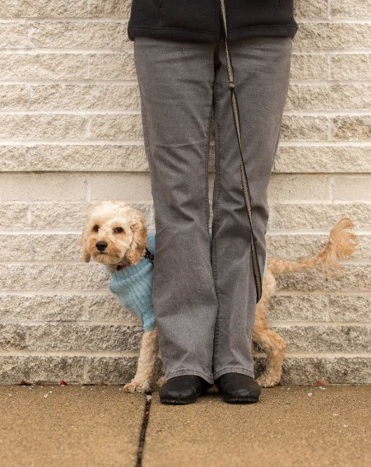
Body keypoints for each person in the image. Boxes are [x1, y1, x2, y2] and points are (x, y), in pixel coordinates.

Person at [129, 0, 297, 404]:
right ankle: (186, 360)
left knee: (244, 199)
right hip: (165, 28)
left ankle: (234, 358)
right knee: (177, 201)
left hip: (260, 28)